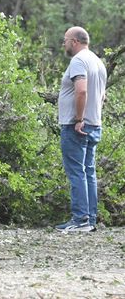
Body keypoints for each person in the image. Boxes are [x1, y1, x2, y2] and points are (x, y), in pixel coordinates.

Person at [55, 26, 107, 232]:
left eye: (65, 40)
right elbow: (102, 96)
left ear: (75, 41)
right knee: (89, 172)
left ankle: (80, 219)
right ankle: (90, 218)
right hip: (94, 123)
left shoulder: (78, 61)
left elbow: (82, 90)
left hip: (77, 125)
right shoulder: (97, 61)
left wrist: (78, 118)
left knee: (76, 172)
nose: (64, 44)